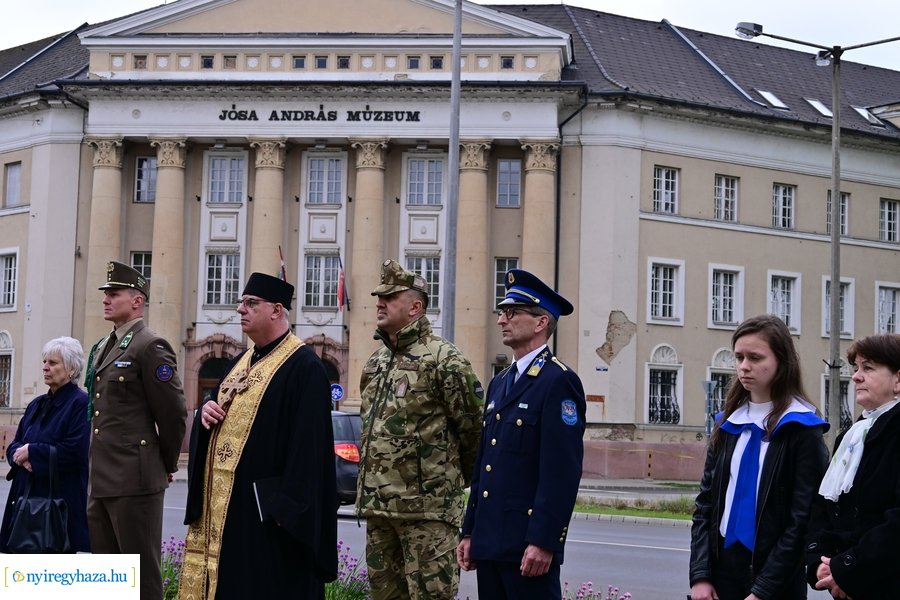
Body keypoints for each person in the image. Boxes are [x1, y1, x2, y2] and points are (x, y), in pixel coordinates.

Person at [181, 272, 337, 599]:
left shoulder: (305, 367)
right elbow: (218, 406)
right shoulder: (241, 361)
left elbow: (309, 450)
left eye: (251, 303)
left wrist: (283, 511)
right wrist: (206, 410)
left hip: (267, 518)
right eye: (241, 302)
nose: (240, 309)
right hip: (228, 513)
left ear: (277, 310)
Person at [357, 259, 484, 600]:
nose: (380, 303)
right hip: (380, 510)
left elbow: (474, 431)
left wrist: (446, 485)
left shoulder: (445, 360)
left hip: (428, 513)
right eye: (379, 297)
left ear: (415, 307)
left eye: (390, 297)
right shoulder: (376, 363)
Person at [457, 268, 586, 600]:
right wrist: (470, 531)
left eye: (512, 312)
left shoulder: (558, 381)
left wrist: (544, 541)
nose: (502, 319)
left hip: (527, 548)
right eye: (503, 312)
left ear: (541, 322)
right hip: (490, 543)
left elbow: (561, 472)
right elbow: (485, 465)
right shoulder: (500, 382)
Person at [689, 315, 829, 600]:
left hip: (775, 580)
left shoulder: (802, 428)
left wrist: (763, 590)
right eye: (739, 357)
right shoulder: (728, 424)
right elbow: (705, 506)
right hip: (721, 572)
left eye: (755, 357)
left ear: (782, 362)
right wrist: (700, 575)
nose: (744, 366)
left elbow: (802, 520)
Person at [85, 261, 187, 598]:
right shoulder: (106, 345)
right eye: (106, 294)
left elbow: (172, 413)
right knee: (109, 579)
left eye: (114, 294)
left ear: (137, 300)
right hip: (102, 479)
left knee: (140, 579)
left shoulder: (150, 345)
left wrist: (166, 463)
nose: (106, 299)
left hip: (134, 479)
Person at [806, 333, 900, 599]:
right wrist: (820, 563)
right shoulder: (850, 437)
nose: (856, 377)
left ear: (898, 380)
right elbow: (823, 506)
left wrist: (847, 569)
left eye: (868, 368)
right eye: (856, 368)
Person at [1, 337, 91, 553]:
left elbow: (74, 451)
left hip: (57, 506)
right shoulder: (37, 404)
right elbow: (15, 444)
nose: (45, 367)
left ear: (71, 369)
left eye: (53, 363)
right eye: (44, 362)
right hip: (23, 501)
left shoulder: (80, 403)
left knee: (52, 566)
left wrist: (32, 452)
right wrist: (20, 456)